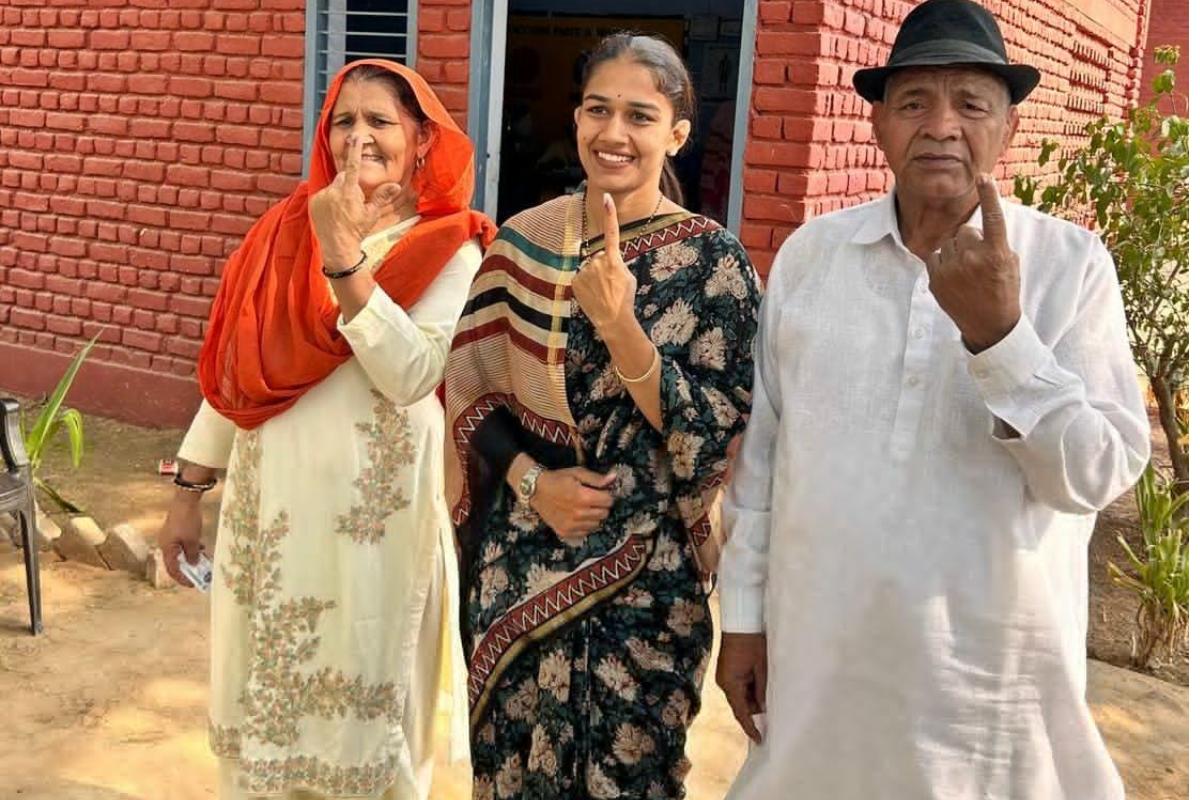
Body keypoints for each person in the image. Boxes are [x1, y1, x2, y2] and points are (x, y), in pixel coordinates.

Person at [715, 1, 1151, 798]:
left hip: (985, 695)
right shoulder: (815, 256)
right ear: (879, 124)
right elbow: (766, 457)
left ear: (1008, 129)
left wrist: (1002, 339)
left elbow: (1097, 473)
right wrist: (742, 616)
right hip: (823, 662)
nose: (941, 125)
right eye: (914, 102)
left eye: (971, 103)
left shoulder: (1067, 266)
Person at [156, 59, 495, 800]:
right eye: (345, 120)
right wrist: (188, 489)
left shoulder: (449, 244)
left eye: (381, 121)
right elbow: (240, 372)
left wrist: (343, 259)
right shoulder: (284, 230)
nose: (359, 136)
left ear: (419, 139)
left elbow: (410, 374)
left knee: (371, 705)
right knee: (265, 701)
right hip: (272, 509)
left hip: (372, 528)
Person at [444, 33, 760, 799]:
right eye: (597, 110)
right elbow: (470, 392)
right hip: (518, 570)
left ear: (677, 133)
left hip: (646, 590)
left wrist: (623, 329)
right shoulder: (527, 242)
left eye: (640, 116)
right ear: (577, 118)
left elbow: (714, 434)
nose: (614, 134)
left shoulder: (718, 264)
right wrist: (531, 485)